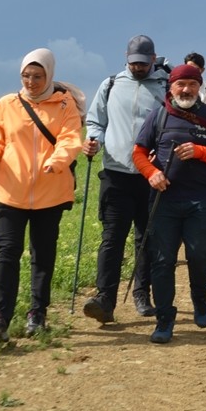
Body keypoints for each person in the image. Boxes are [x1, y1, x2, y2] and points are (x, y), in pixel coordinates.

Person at [0, 49, 83, 343]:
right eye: (26, 76)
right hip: (10, 193)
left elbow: (71, 139)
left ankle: (37, 314)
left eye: (38, 76)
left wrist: (57, 161)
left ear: (49, 76)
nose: (31, 82)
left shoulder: (65, 105)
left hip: (51, 192)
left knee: (43, 256)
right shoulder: (7, 104)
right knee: (7, 254)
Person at [132, 64, 206, 344]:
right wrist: (152, 174)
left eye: (191, 84)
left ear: (200, 87)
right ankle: (165, 319)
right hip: (164, 202)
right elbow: (138, 153)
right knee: (162, 262)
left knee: (200, 256)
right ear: (171, 87)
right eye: (180, 84)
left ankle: (200, 298)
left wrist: (200, 151)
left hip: (200, 200)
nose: (186, 89)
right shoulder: (159, 116)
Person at [82, 35, 168, 323]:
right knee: (112, 238)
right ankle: (105, 298)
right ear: (126, 58)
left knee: (147, 239)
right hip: (115, 173)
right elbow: (95, 120)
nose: (138, 68)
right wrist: (94, 140)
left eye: (143, 64)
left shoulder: (165, 87)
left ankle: (142, 294)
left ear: (153, 59)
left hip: (149, 176)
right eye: (133, 63)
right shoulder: (110, 85)